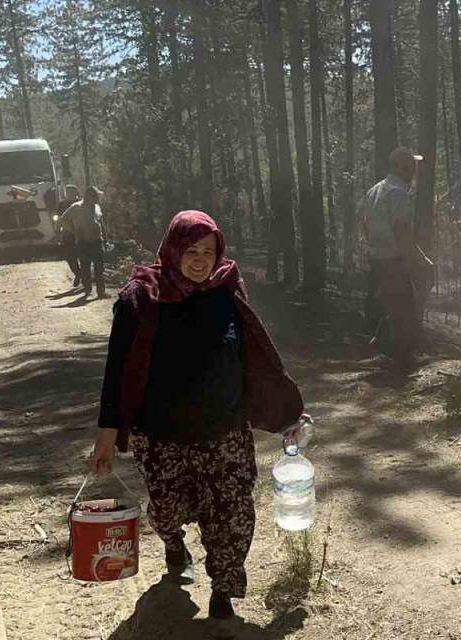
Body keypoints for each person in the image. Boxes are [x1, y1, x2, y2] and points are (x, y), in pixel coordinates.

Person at [89, 210, 305, 621]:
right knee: (168, 510)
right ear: (172, 249)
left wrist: (286, 415)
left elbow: (257, 360)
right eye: (191, 250)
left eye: (208, 251)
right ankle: (173, 543)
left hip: (225, 434)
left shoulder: (226, 291)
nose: (200, 259)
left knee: (232, 514)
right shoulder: (140, 299)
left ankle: (223, 590)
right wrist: (107, 432)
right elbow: (117, 370)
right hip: (162, 435)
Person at [357, 147, 430, 370]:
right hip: (393, 261)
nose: (413, 169)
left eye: (413, 165)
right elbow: (402, 233)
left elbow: (361, 220)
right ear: (397, 167)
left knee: (385, 307)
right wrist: (419, 259)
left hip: (377, 260)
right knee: (403, 309)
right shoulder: (399, 193)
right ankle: (403, 361)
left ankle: (387, 354)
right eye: (408, 165)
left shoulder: (375, 190)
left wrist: (371, 245)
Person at [59, 186, 106, 298]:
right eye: (96, 196)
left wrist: (105, 238)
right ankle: (88, 289)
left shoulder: (97, 207)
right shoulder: (76, 207)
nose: (98, 198)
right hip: (83, 242)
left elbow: (101, 222)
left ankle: (101, 292)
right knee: (85, 267)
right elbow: (63, 219)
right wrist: (74, 231)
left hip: (97, 241)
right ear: (89, 196)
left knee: (99, 267)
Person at [57, 184, 83, 287]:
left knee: (83, 257)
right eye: (68, 192)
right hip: (67, 234)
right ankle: (78, 274)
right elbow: (59, 219)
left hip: (81, 234)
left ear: (76, 193)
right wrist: (57, 231)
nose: (70, 194)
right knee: (70, 258)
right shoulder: (62, 205)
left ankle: (86, 278)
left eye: (72, 192)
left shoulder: (81, 203)